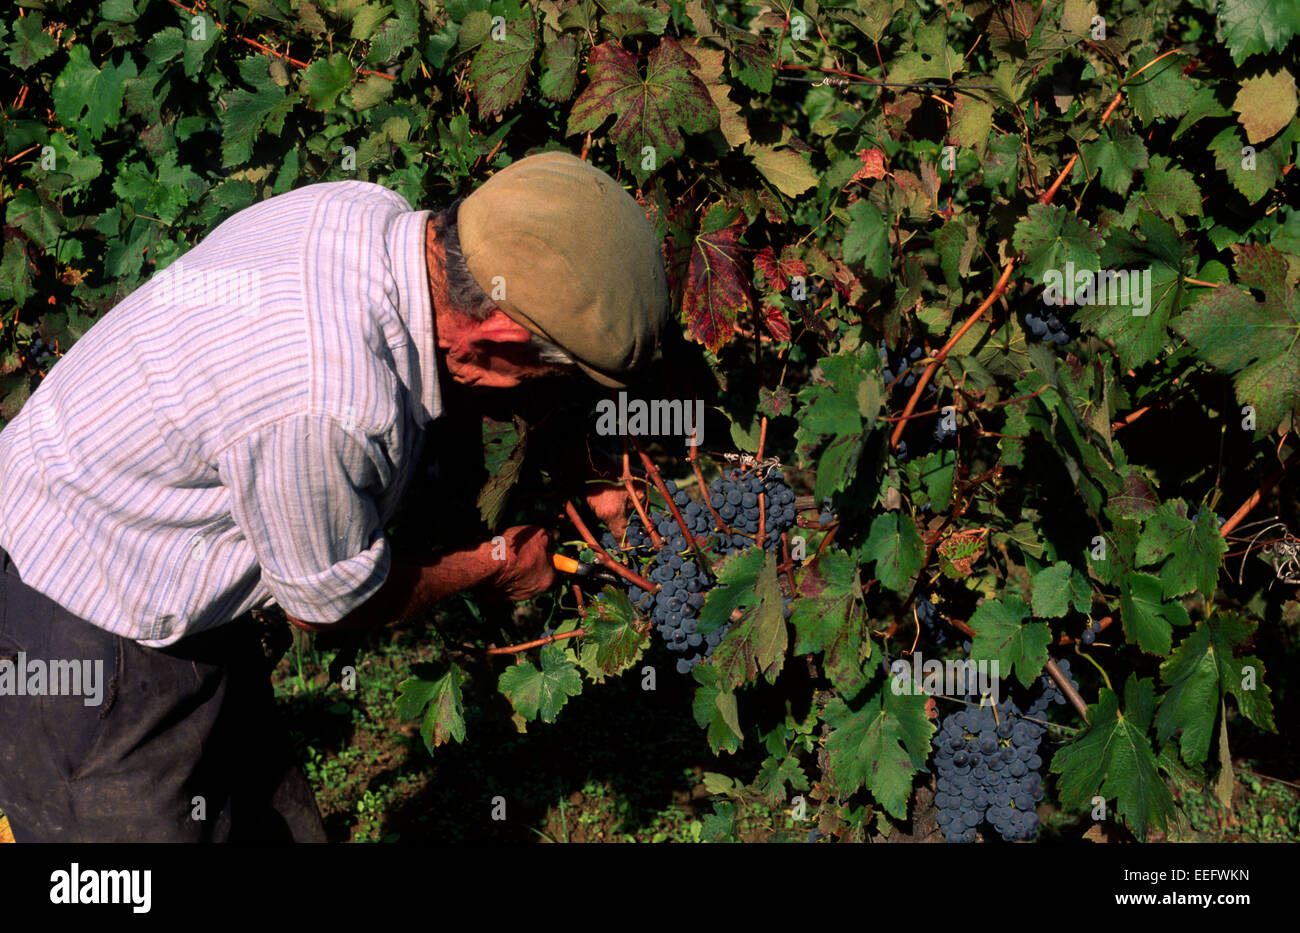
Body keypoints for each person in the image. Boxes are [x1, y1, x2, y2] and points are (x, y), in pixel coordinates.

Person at [0, 150, 668, 842]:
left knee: (265, 821)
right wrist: (492, 564)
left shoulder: (366, 214)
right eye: (542, 374)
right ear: (495, 339)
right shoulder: (331, 403)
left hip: (158, 550)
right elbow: (329, 602)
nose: (534, 390)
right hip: (80, 607)